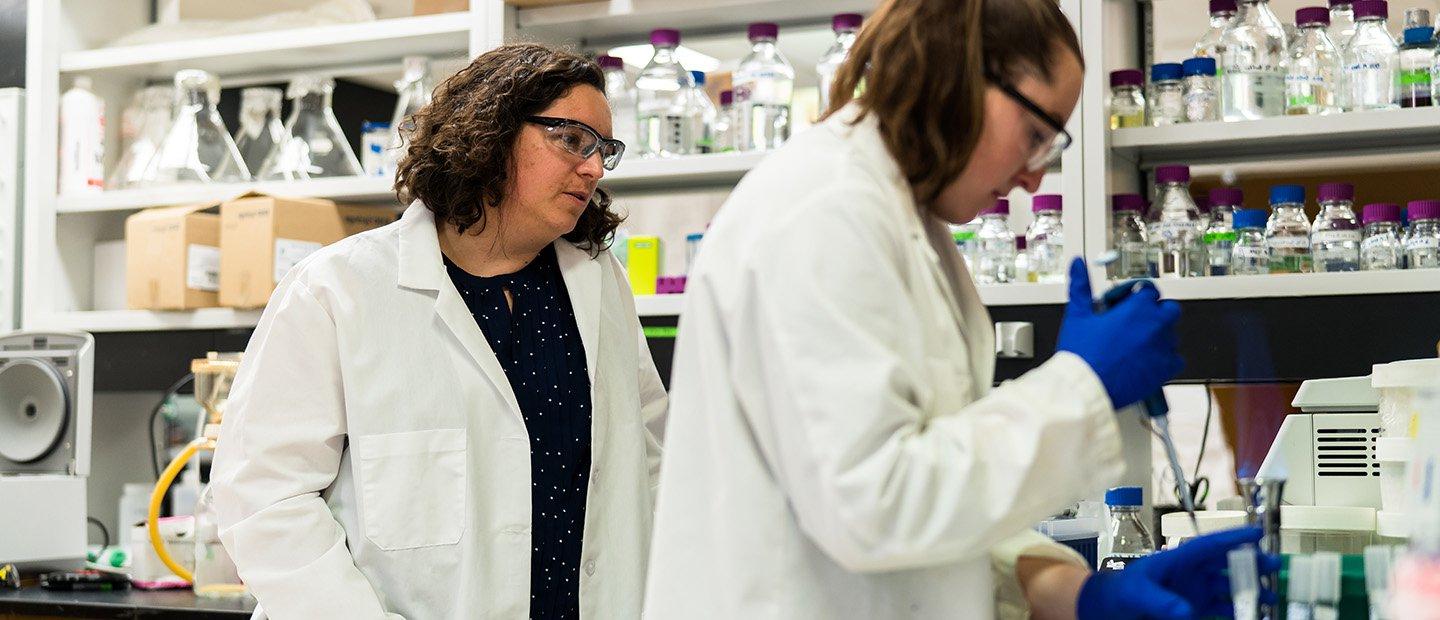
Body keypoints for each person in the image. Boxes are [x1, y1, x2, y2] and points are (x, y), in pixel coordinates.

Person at [643, 0, 1262, 618]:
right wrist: (1080, 386)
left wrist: (1073, 593)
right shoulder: (822, 212)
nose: (1033, 178)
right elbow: (873, 503)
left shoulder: (906, 218)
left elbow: (931, 492)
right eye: (1036, 135)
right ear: (961, 75)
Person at [210, 45, 666, 619]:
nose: (594, 167)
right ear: (493, 133)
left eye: (603, 149)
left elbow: (648, 461)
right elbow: (262, 498)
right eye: (572, 139)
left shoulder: (598, 285)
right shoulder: (336, 290)